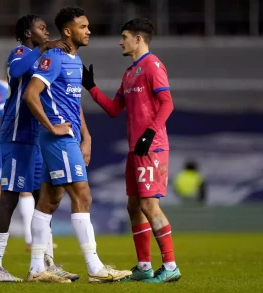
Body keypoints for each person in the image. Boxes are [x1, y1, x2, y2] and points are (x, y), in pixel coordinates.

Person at [23, 7, 132, 283]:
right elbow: (30, 94)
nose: (89, 31)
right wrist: (51, 126)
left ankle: (37, 268)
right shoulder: (54, 59)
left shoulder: (74, 61)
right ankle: (94, 267)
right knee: (83, 196)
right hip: (58, 139)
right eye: (83, 26)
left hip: (68, 137)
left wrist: (87, 136)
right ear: (68, 31)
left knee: (50, 200)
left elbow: (73, 103)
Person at [81, 18, 181, 283]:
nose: (120, 41)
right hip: (135, 149)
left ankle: (170, 266)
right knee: (134, 206)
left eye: (124, 36)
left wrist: (150, 133)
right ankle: (144, 266)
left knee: (149, 205)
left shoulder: (152, 65)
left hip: (152, 147)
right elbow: (115, 109)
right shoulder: (129, 73)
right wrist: (91, 87)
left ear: (138, 39)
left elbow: (167, 103)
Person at [0, 14, 78, 283]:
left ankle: (44, 262)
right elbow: (14, 72)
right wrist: (42, 48)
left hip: (37, 141)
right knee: (10, 198)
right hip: (16, 136)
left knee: (43, 201)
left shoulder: (42, 59)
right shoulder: (21, 52)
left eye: (47, 29)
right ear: (27, 32)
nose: (46, 32)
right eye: (41, 28)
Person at [0, 72, 36, 252]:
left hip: (17, 146)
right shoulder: (0, 89)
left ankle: (31, 239)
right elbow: (4, 115)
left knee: (25, 189)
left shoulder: (14, 91)